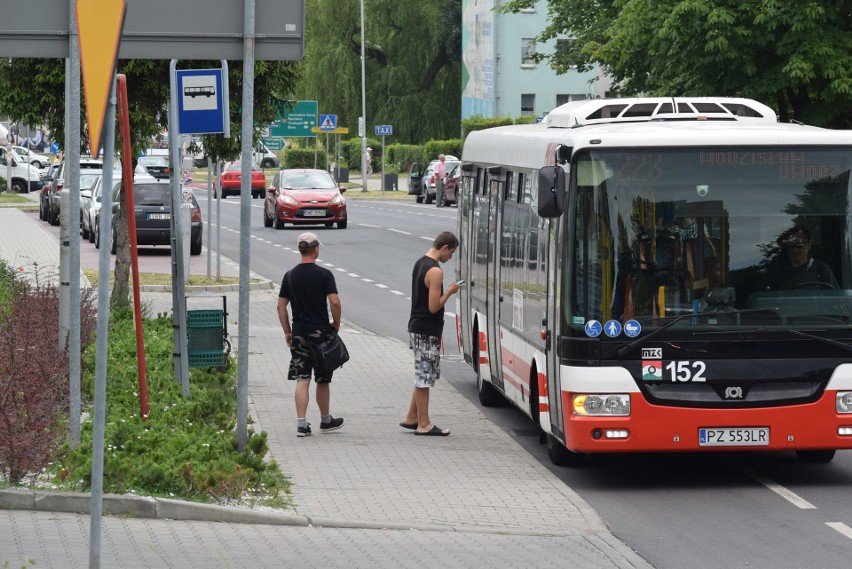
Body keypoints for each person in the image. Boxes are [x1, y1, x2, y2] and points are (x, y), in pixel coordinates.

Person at [277, 232, 345, 437]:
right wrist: (337, 323)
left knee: (302, 378)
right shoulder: (325, 275)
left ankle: (301, 424)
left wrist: (288, 331)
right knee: (323, 378)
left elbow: (281, 306)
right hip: (321, 334)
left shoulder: (290, 276)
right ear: (315, 249)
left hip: (299, 333)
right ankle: (326, 420)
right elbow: (335, 302)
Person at [400, 231, 461, 436]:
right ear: (445, 248)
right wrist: (450, 292)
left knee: (422, 373)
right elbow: (434, 306)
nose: (450, 258)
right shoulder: (435, 271)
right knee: (424, 377)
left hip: (417, 327)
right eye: (451, 253)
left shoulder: (420, 262)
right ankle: (424, 424)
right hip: (427, 329)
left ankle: (411, 417)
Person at [771, 226, 839, 290]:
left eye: (799, 245)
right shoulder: (779, 271)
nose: (795, 249)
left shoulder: (821, 269)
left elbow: (836, 297)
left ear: (809, 245)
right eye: (791, 246)